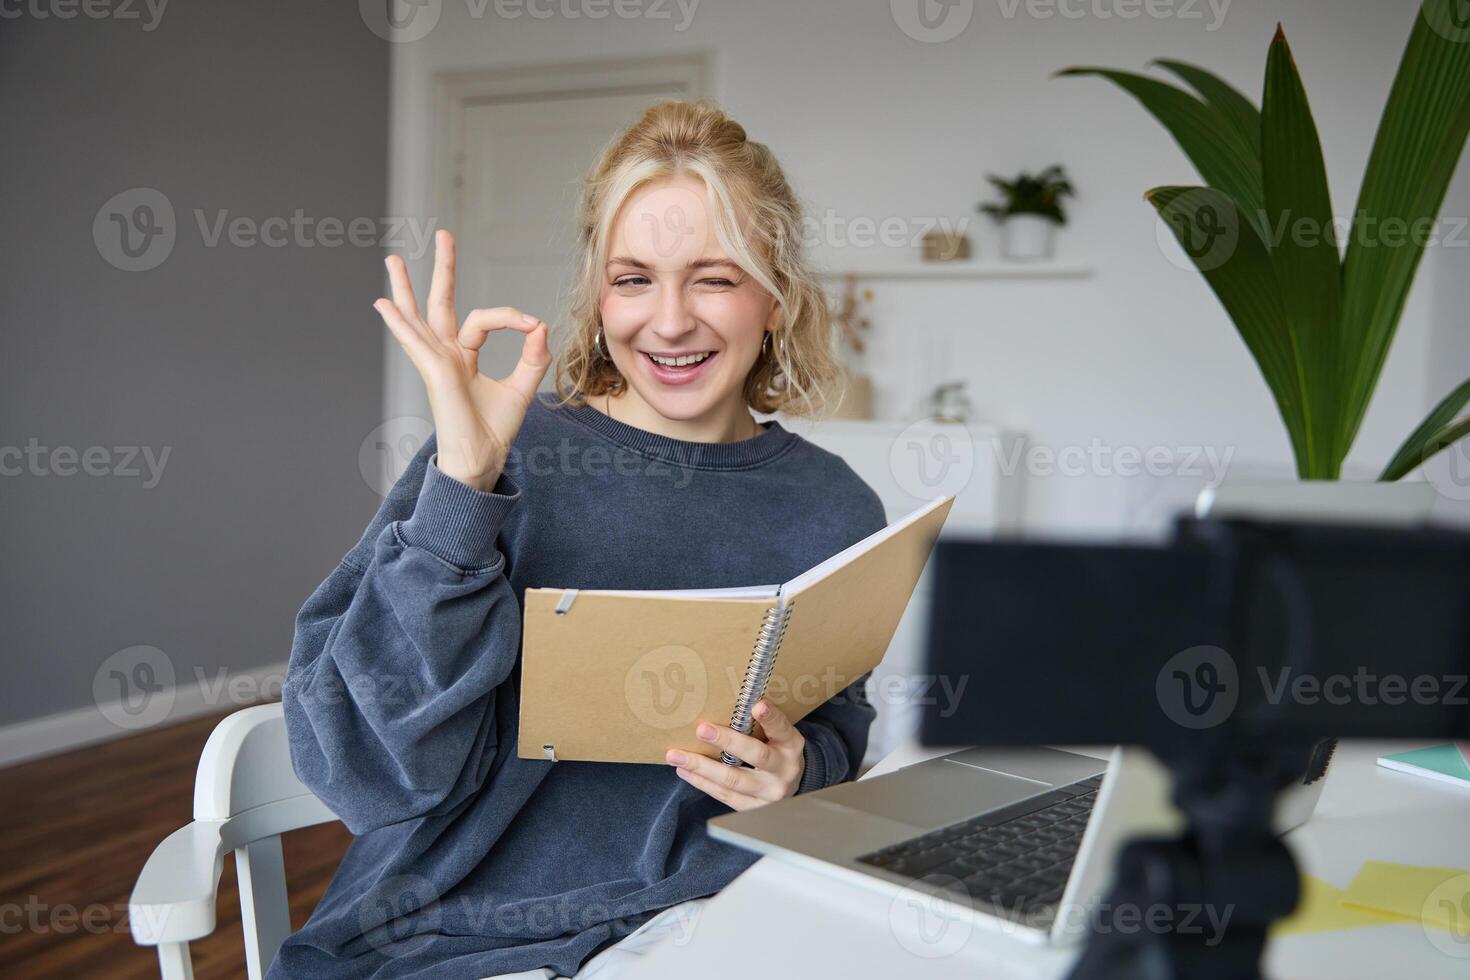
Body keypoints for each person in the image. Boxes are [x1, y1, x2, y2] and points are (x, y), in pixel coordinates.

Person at [268, 100, 889, 979]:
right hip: (465, 935)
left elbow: (837, 720)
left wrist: (798, 768)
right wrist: (463, 492)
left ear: (778, 296)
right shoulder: (501, 456)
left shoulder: (836, 505)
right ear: (597, 299)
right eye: (633, 278)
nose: (669, 323)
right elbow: (367, 770)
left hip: (718, 916)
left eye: (713, 277)